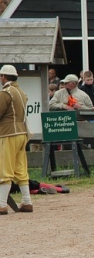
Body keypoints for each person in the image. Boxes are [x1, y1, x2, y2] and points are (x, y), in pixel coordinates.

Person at [0, 65, 33, 214]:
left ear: (4, 77)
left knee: (5, 168)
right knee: (20, 168)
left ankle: (1, 204)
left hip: (8, 133)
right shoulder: (21, 92)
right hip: (22, 133)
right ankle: (27, 201)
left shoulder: (6, 93)